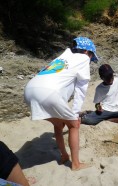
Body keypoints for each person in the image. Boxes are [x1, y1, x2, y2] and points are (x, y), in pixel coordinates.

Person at [24, 36, 99, 171]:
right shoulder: (83, 58)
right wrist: (75, 115)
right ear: (87, 52)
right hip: (48, 93)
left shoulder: (63, 57)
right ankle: (76, 164)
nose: (91, 60)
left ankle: (64, 155)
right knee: (74, 125)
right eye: (92, 56)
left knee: (58, 124)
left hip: (29, 91)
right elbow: (81, 90)